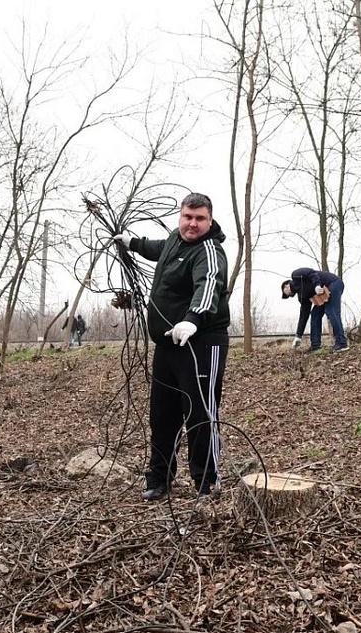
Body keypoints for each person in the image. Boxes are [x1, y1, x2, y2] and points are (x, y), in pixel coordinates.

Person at [113, 193, 230, 501]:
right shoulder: (175, 239)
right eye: (187, 217)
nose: (192, 224)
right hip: (168, 345)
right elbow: (159, 249)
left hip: (200, 343)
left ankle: (207, 482)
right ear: (181, 216)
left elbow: (209, 285)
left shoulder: (209, 251)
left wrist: (193, 319)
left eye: (200, 218)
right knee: (162, 415)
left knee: (200, 413)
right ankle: (159, 478)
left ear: (210, 220)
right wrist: (132, 243)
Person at [281, 268, 349, 353]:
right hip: (325, 292)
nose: (287, 294)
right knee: (315, 314)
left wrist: (317, 285)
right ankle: (315, 345)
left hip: (333, 283)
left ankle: (342, 343)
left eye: (284, 291)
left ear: (286, 285)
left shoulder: (296, 275)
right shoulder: (302, 296)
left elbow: (311, 273)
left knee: (331, 310)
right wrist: (298, 336)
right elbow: (304, 315)